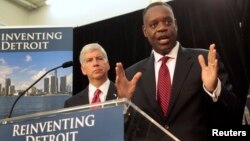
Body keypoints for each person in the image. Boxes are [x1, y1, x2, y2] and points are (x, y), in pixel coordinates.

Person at [115, 2, 240, 141]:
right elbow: (123, 131)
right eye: (154, 24)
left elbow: (233, 112)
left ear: (176, 24)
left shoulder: (203, 61)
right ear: (145, 31)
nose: (162, 28)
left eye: (167, 21)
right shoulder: (132, 75)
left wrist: (214, 88)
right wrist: (123, 104)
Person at [64, 43, 117, 108]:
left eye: (99, 58)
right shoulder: (71, 104)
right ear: (83, 70)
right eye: (89, 60)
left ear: (108, 65)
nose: (95, 63)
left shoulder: (124, 93)